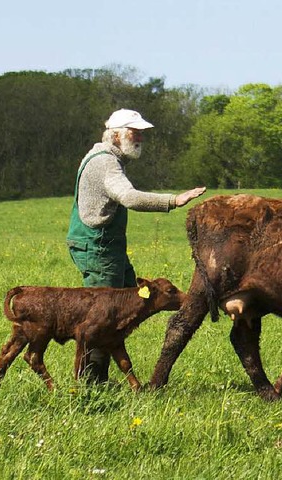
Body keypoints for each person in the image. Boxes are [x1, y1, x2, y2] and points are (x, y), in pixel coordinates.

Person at [66, 108, 206, 382]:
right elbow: (128, 197)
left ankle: (106, 372)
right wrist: (173, 200)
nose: (140, 137)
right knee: (103, 317)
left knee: (130, 301)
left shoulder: (99, 156)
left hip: (107, 246)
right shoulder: (106, 162)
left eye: (142, 132)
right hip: (98, 246)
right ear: (115, 134)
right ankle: (91, 385)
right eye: (134, 131)